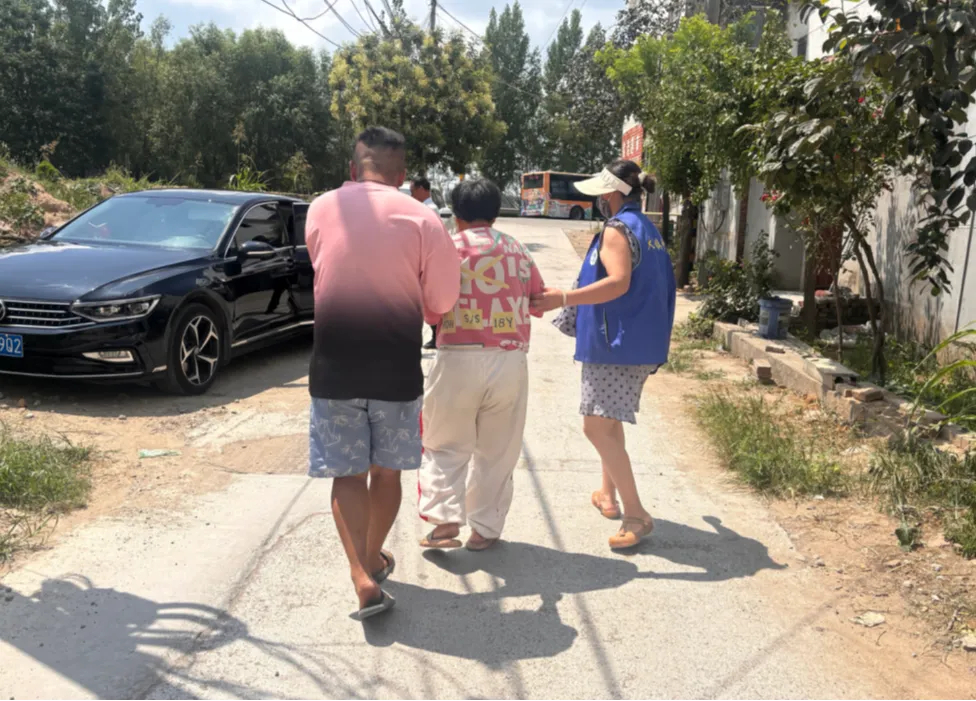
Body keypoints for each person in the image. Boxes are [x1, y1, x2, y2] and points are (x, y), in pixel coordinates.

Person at [305, 127, 460, 619]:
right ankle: (371, 558)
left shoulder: (320, 208)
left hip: (334, 366)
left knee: (347, 475)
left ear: (353, 169)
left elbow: (322, 266)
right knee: (386, 473)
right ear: (402, 176)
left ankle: (362, 573)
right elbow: (442, 300)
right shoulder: (423, 218)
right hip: (395, 367)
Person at [531, 159, 675, 550]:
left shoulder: (616, 229)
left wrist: (563, 297)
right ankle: (607, 494)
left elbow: (618, 282)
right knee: (608, 422)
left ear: (611, 193)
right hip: (638, 341)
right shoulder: (646, 229)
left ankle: (636, 514)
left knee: (595, 427)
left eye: (601, 194)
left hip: (616, 345)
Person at [418, 178, 545, 551]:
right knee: (498, 450)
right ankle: (485, 530)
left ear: (456, 216)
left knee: (443, 443)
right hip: (509, 360)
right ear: (495, 213)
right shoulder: (518, 250)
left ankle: (443, 521)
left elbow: (432, 311)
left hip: (456, 358)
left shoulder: (447, 249)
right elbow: (537, 301)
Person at [410, 176, 442, 350]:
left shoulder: (429, 209)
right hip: (423, 259)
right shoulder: (425, 208)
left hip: (427, 260)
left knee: (428, 301)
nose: (412, 195)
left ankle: (436, 335)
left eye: (413, 191)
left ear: (422, 189)